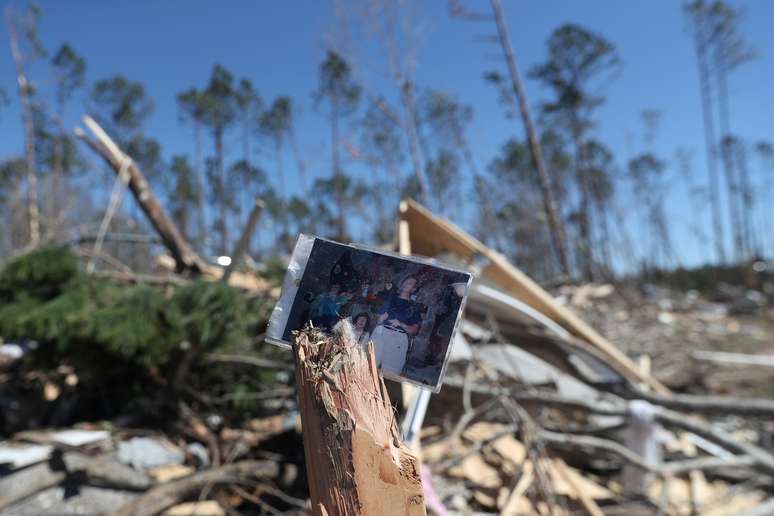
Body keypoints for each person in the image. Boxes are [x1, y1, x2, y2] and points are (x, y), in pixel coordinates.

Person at [370, 275, 422, 375]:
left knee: (390, 372)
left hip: (399, 338)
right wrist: (381, 318)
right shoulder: (390, 300)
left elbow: (415, 330)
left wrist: (401, 324)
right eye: (405, 281)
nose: (406, 283)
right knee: (369, 365)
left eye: (410, 283)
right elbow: (377, 319)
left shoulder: (413, 307)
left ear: (414, 289)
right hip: (381, 332)